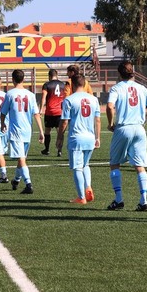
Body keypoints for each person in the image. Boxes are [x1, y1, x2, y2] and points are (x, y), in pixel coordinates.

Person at [106, 61, 147, 211]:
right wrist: (144, 119)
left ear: (119, 74)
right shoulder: (141, 88)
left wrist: (110, 123)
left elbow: (110, 106)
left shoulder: (117, 88)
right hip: (139, 129)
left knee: (115, 164)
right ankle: (144, 201)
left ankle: (119, 199)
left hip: (124, 128)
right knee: (139, 166)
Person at [56, 75, 101, 204]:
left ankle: (81, 197)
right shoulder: (94, 99)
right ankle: (88, 187)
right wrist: (98, 137)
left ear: (73, 85)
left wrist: (60, 137)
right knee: (85, 164)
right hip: (90, 138)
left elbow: (64, 122)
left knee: (77, 168)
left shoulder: (69, 100)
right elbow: (97, 120)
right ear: (85, 84)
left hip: (76, 137)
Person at [0, 69, 45, 194]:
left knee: (21, 159)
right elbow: (36, 114)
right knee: (22, 158)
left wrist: (2, 123)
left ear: (13, 80)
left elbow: (3, 112)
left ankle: (28, 184)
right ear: (23, 79)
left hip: (16, 131)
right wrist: (41, 131)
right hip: (27, 131)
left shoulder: (9, 94)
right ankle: (16, 180)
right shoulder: (30, 94)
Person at [40, 69, 66, 156]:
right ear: (57, 75)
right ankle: (59, 150)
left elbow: (44, 97)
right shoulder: (63, 84)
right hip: (60, 111)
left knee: (47, 131)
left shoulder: (47, 84)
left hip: (50, 111)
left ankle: (47, 149)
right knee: (60, 132)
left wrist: (41, 109)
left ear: (49, 76)